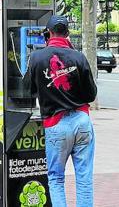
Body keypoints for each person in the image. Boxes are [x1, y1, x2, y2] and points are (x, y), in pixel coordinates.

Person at [24, 15, 97, 207]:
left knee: (56, 179)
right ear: (68, 34)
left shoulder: (36, 58)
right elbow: (91, 94)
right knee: (84, 178)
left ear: (48, 33)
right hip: (82, 121)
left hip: (56, 124)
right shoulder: (78, 57)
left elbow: (27, 90)